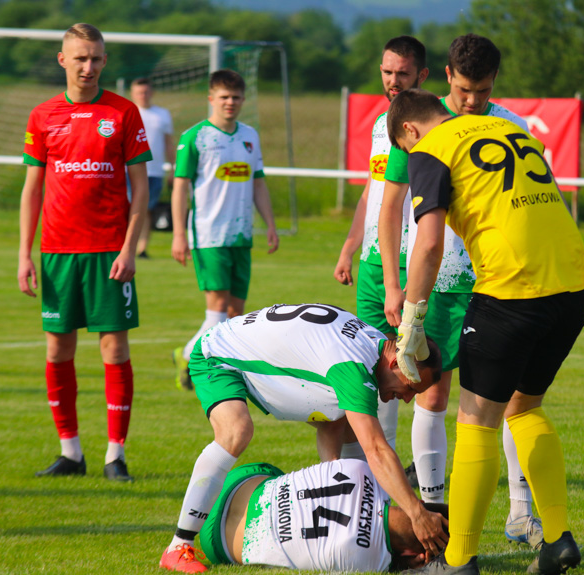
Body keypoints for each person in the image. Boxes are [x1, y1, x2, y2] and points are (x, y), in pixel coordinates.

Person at [387, 89, 584, 575]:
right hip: (571, 285)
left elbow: (429, 243)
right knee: (525, 407)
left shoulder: (431, 147)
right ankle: (558, 537)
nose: (409, 157)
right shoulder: (509, 127)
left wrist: (412, 324)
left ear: (410, 132)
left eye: (404, 148)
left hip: (511, 290)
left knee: (477, 421)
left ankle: (458, 560)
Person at [378, 33, 542, 546]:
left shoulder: (510, 126)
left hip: (500, 278)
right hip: (440, 282)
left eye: (484, 90)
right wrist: (393, 283)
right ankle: (434, 510)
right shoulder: (421, 128)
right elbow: (390, 207)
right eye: (466, 89)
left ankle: (521, 512)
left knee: (515, 397)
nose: (473, 101)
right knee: (432, 392)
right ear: (447, 76)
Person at [159, 303, 448, 573]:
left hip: (239, 342)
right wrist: (416, 513)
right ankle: (179, 546)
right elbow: (376, 449)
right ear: (396, 363)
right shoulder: (354, 367)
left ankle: (355, 501)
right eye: (411, 387)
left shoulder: (372, 344)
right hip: (216, 355)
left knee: (339, 416)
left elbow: (330, 416)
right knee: (235, 431)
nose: (408, 399)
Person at [17, 23, 152, 482]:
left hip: (109, 252)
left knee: (113, 350)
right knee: (59, 349)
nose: (88, 66)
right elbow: (32, 190)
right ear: (62, 60)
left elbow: (140, 190)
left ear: (105, 61)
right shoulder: (43, 116)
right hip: (57, 251)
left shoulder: (124, 112)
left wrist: (131, 248)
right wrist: (24, 254)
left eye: (95, 58)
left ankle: (116, 455)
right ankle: (70, 453)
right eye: (80, 58)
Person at [333, 35, 428, 460]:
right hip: (373, 264)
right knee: (374, 365)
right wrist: (350, 246)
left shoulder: (430, 126)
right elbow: (374, 194)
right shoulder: (379, 123)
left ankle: (426, 483)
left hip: (411, 264)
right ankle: (375, 476)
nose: (393, 80)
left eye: (402, 73)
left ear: (422, 75)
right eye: (387, 72)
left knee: (421, 374)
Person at [170, 69, 279, 391]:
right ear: (211, 99)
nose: (230, 103)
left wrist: (270, 224)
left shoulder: (249, 136)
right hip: (208, 236)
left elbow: (258, 182)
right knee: (217, 309)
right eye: (223, 97)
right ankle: (190, 357)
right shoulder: (195, 137)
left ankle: (207, 363)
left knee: (235, 312)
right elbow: (179, 187)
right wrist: (179, 234)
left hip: (241, 236)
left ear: (243, 100)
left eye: (235, 97)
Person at [198, 458, 449, 572]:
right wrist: (404, 564)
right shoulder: (370, 561)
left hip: (236, 483)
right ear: (419, 553)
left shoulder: (363, 469)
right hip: (219, 543)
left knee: (286, 480)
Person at [129, 77, 174, 259]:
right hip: (128, 170)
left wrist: (173, 168)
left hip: (154, 171)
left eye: (146, 92)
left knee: (146, 210)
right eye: (139, 92)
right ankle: (124, 245)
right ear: (133, 94)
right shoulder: (127, 112)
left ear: (152, 93)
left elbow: (168, 144)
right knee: (126, 208)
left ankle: (142, 248)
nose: (143, 96)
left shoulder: (162, 114)